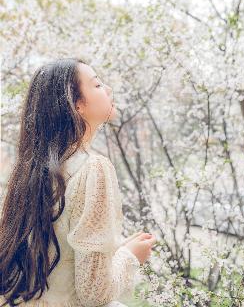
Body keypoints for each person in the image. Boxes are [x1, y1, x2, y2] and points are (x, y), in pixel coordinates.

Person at [0, 58, 157, 307]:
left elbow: (59, 261)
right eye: (97, 85)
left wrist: (114, 250)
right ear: (77, 105)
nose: (108, 90)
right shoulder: (93, 167)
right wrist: (130, 256)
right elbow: (94, 293)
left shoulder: (30, 170)